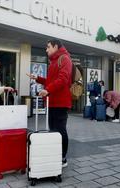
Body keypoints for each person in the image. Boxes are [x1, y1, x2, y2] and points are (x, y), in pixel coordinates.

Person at [27, 39, 72, 168]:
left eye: (48, 47)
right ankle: (55, 155)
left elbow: (63, 79)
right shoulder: (53, 61)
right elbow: (52, 81)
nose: (46, 50)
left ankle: (63, 157)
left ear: (55, 46)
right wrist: (38, 79)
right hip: (52, 102)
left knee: (60, 130)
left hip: (60, 102)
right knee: (53, 130)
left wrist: (48, 90)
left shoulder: (64, 59)